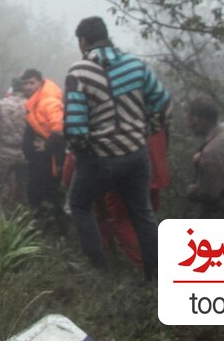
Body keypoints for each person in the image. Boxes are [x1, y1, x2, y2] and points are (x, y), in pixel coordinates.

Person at [63, 16, 170, 280]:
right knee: (142, 213)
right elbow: (162, 101)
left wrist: (85, 153)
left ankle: (99, 271)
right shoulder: (136, 65)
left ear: (84, 41)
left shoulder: (79, 72)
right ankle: (154, 277)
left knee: (79, 204)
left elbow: (75, 128)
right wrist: (147, 130)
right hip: (136, 155)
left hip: (100, 158)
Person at [19, 68, 65, 228]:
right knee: (39, 191)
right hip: (38, 158)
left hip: (48, 158)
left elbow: (58, 128)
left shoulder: (47, 100)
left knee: (49, 192)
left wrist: (47, 145)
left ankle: (56, 228)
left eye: (32, 83)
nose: (28, 86)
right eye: (25, 83)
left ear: (40, 82)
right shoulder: (35, 101)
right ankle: (43, 224)